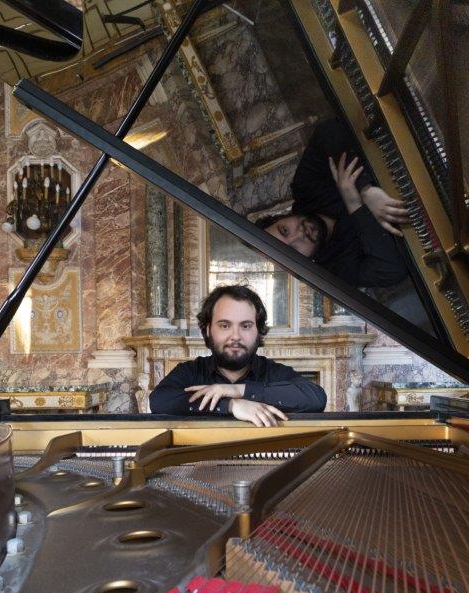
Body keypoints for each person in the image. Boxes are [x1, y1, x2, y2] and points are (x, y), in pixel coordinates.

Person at [260, 118, 409, 287]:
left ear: (279, 218)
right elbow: (392, 271)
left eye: (285, 230)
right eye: (293, 250)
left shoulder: (305, 188)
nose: (299, 235)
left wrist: (365, 190)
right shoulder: (338, 268)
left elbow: (329, 131)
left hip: (400, 149)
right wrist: (355, 205)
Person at [149, 284, 326, 424]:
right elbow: (160, 400)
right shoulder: (190, 372)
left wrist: (237, 390)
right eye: (225, 325)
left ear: (258, 331)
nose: (235, 336)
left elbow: (316, 398)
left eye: (246, 326)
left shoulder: (274, 372)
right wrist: (231, 405)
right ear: (208, 329)